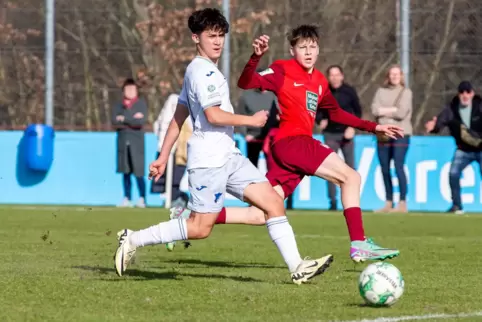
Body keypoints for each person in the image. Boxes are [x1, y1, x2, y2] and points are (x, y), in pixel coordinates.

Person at [114, 8, 333, 285]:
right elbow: (213, 115)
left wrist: (163, 156)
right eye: (211, 36)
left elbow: (179, 117)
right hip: (208, 161)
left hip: (228, 155)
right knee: (200, 228)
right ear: (196, 38)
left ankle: (297, 267)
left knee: (273, 202)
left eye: (221, 35)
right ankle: (132, 238)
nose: (217, 42)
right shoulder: (203, 73)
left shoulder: (199, 70)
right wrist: (250, 120)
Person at [168, 25, 403, 263]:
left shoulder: (320, 81)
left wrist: (374, 127)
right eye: (303, 47)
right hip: (293, 143)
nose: (308, 52)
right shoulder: (283, 70)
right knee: (351, 177)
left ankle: (188, 216)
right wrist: (256, 57)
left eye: (312, 47)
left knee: (261, 213)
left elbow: (337, 114)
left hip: (293, 149)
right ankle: (359, 243)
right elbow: (245, 82)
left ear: (318, 50)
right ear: (293, 50)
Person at [425, 81, 482, 214]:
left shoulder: (479, 106)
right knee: (453, 173)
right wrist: (433, 128)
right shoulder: (452, 108)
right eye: (462, 92)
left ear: (472, 93)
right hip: (463, 149)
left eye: (468, 92)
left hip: (480, 148)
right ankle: (457, 205)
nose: (465, 95)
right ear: (458, 94)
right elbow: (441, 122)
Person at [316, 65, 361, 211]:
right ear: (328, 77)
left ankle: (352, 203)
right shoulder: (323, 91)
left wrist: (352, 127)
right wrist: (320, 120)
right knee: (330, 169)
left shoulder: (350, 91)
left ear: (342, 76)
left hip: (346, 134)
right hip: (330, 134)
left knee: (350, 169)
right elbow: (316, 110)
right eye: (332, 75)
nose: (335, 78)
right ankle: (333, 202)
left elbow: (358, 111)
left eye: (337, 75)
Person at [371, 65, 413, 213]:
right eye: (392, 74)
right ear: (387, 76)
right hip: (383, 134)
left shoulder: (406, 92)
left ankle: (402, 202)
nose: (394, 77)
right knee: (384, 168)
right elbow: (375, 110)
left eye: (397, 74)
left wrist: (384, 111)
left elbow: (401, 113)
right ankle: (388, 201)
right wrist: (392, 110)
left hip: (401, 133)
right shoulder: (380, 91)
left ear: (401, 76)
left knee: (398, 166)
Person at [112, 78, 148, 208]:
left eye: (133, 89)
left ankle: (142, 198)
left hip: (137, 143)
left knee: (138, 172)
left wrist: (125, 119)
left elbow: (140, 122)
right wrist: (132, 119)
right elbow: (115, 121)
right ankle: (127, 198)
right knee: (125, 172)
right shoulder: (118, 106)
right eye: (128, 89)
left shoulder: (141, 104)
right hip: (123, 143)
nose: (131, 91)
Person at [152, 93, 190, 207]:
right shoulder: (174, 100)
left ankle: (179, 199)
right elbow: (161, 124)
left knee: (176, 178)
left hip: (183, 151)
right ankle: (173, 199)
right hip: (169, 149)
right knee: (166, 178)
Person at [237, 76, 279, 167]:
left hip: (270, 139)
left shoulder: (275, 96)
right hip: (253, 139)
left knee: (273, 168)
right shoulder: (246, 96)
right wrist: (245, 134)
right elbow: (240, 115)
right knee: (252, 168)